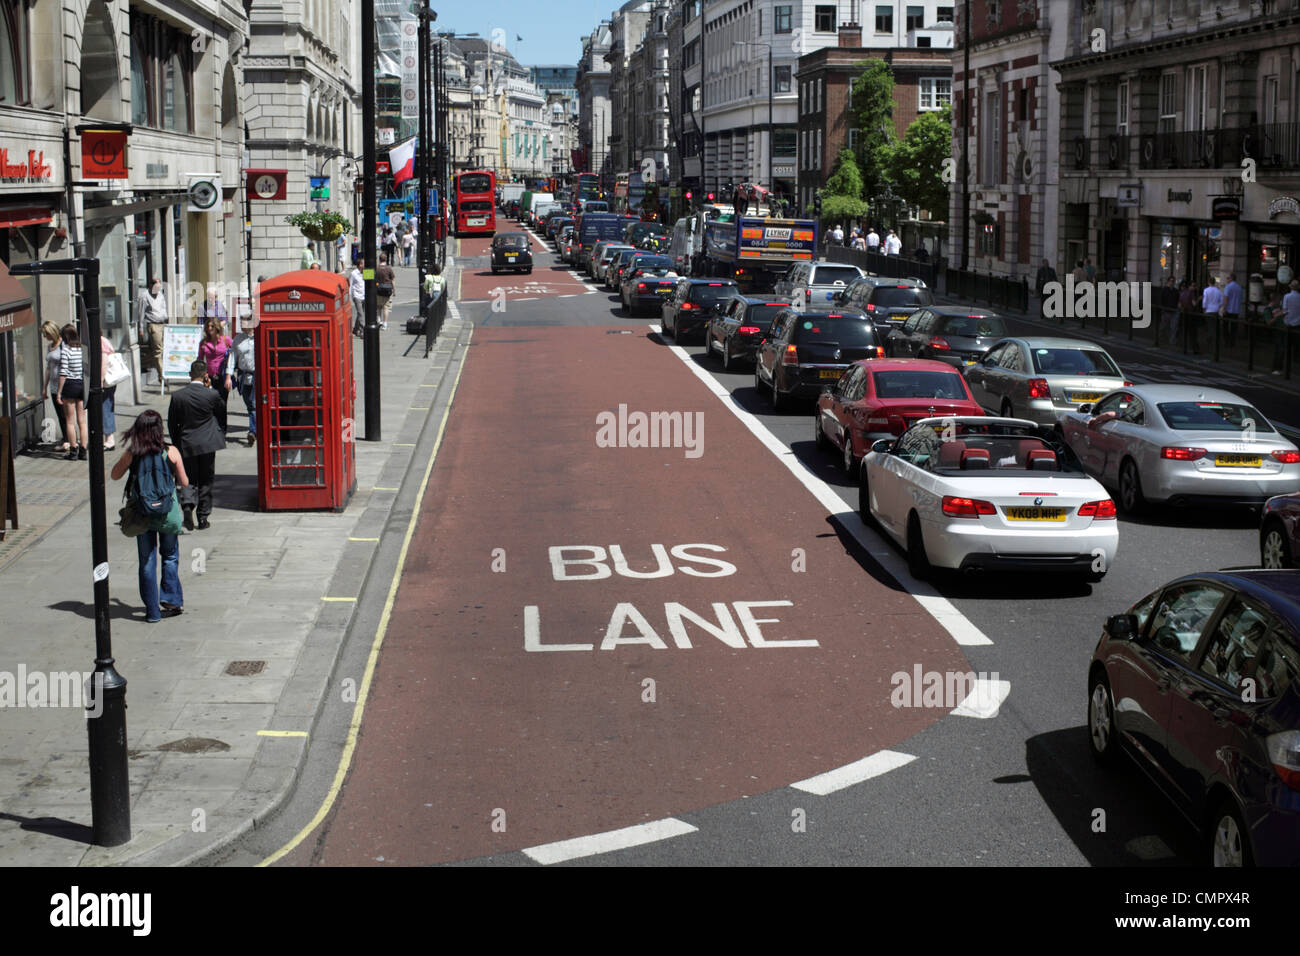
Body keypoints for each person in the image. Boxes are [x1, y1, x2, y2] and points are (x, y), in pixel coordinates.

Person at [111, 410, 189, 623]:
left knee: (146, 562)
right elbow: (184, 482)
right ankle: (172, 601)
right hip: (167, 513)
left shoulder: (132, 453)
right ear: (159, 429)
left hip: (142, 513)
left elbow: (114, 475)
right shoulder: (170, 451)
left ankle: (153, 612)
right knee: (170, 556)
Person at [167, 359, 226, 531]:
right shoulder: (212, 395)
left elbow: (172, 423)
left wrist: (177, 442)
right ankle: (203, 517)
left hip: (187, 442)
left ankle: (187, 507)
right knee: (206, 479)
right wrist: (220, 434)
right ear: (206, 375)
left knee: (188, 478)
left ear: (190, 374)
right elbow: (221, 415)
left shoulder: (178, 396)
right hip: (208, 442)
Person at [56, 324, 89, 461]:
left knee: (70, 421)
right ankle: (83, 450)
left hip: (69, 385)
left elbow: (63, 372)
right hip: (82, 385)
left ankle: (73, 450)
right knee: (82, 421)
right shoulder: (83, 349)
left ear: (65, 337)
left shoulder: (66, 350)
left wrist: (59, 393)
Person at [225, 314, 257, 446]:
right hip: (243, 378)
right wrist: (228, 376)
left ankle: (252, 431)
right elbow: (232, 358)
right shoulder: (237, 339)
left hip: (257, 377)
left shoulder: (259, 337)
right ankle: (255, 430)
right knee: (249, 405)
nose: (241, 325)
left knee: (253, 405)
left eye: (243, 323)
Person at [198, 317, 233, 433]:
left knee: (222, 404)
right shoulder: (203, 343)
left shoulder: (226, 340)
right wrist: (202, 375)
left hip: (223, 376)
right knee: (210, 405)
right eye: (208, 326)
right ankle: (212, 429)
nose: (209, 329)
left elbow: (235, 353)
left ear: (217, 327)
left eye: (212, 326)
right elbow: (200, 360)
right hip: (209, 377)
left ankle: (222, 431)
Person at [137, 277, 168, 394]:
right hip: (153, 325)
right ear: (150, 286)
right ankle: (162, 376)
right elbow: (140, 313)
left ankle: (143, 363)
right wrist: (140, 328)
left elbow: (163, 307)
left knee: (158, 350)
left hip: (163, 323)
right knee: (158, 351)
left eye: (159, 287)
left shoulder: (160, 294)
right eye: (156, 287)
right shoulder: (144, 296)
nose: (158, 290)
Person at [41, 320, 70, 451]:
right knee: (60, 415)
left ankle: (69, 441)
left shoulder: (64, 344)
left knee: (66, 415)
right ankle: (67, 439)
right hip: (53, 386)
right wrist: (44, 387)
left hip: (64, 385)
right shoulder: (50, 346)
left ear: (52, 332)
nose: (45, 337)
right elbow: (48, 368)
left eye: (46, 334)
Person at [100, 334, 118, 450]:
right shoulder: (105, 340)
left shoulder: (100, 342)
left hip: (106, 381)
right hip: (110, 381)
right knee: (106, 407)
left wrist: (100, 381)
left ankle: (109, 440)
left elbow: (104, 362)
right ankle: (108, 438)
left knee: (105, 408)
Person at [1201, 276, 1223, 357]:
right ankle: (1211, 339)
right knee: (1214, 326)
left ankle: (1210, 340)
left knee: (1210, 326)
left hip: (1208, 311)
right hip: (1215, 311)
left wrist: (1204, 309)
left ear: (1208, 282)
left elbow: (1205, 300)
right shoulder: (1218, 291)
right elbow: (1221, 301)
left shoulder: (1206, 290)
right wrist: (1218, 306)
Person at [1222, 272, 1243, 349]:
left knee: (1225, 327)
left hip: (1228, 310)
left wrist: (1224, 309)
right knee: (1234, 328)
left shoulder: (1228, 287)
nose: (1227, 279)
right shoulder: (1239, 287)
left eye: (1228, 278)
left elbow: (1226, 299)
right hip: (1236, 310)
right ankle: (1232, 342)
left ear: (1231, 278)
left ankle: (1226, 342)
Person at [1178, 279, 1199, 353]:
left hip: (1184, 314)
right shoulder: (1191, 293)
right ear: (1190, 286)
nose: (1195, 287)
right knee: (1192, 332)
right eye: (1193, 286)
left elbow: (1179, 304)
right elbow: (1194, 304)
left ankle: (1184, 348)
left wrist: (1182, 309)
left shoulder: (1183, 293)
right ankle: (1194, 349)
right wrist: (1199, 299)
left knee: (1185, 331)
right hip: (1190, 314)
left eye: (1195, 286)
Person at [376, 253, 395, 330]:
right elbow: (393, 280)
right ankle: (385, 324)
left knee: (379, 306)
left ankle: (379, 320)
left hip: (378, 289)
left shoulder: (376, 268)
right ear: (386, 259)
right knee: (386, 307)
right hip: (387, 290)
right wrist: (394, 290)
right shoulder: (389, 268)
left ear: (379, 259)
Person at [349, 260, 366, 337]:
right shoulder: (353, 273)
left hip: (364, 295)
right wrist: (350, 296)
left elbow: (371, 281)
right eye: (363, 263)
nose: (365, 265)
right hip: (356, 296)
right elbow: (350, 284)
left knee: (360, 314)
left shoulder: (366, 272)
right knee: (361, 314)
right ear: (360, 265)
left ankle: (355, 329)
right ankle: (362, 331)